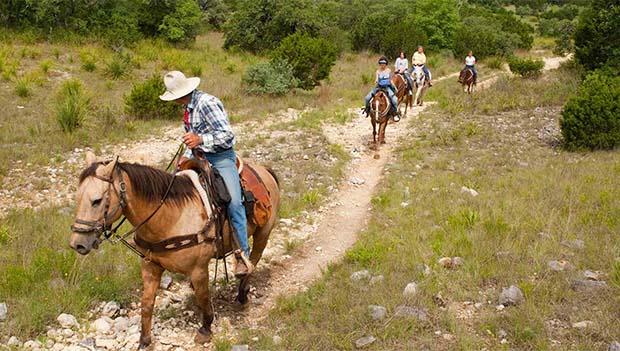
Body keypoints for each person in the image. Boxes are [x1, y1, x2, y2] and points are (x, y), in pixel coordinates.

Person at [159, 70, 252, 277]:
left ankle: (241, 254)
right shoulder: (187, 108)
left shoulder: (207, 103)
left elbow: (227, 136)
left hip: (221, 158)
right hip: (198, 158)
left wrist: (201, 140)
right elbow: (190, 139)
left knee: (234, 202)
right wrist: (186, 154)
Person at [364, 56, 400, 120]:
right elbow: (377, 79)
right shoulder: (378, 71)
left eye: (384, 64)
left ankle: (395, 113)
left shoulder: (389, 71)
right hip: (379, 87)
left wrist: (394, 87)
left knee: (394, 100)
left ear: (386, 64)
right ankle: (367, 110)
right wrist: (376, 81)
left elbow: (390, 80)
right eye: (381, 64)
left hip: (386, 87)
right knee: (367, 98)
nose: (382, 65)